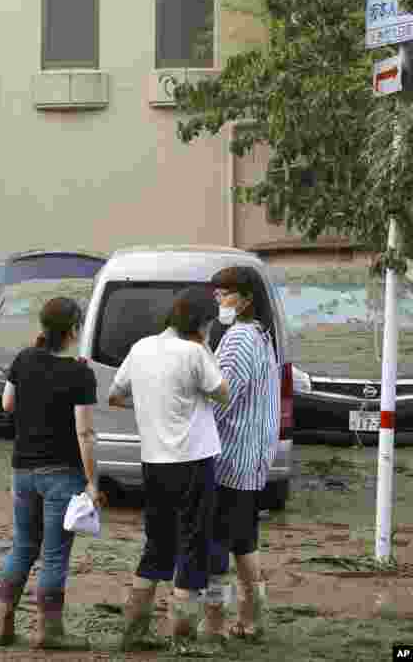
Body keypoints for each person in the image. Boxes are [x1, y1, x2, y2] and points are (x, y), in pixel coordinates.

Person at [108, 286, 229, 650]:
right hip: (194, 460)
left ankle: (134, 630)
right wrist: (206, 348)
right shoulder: (195, 352)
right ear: (202, 323)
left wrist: (150, 408)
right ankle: (183, 634)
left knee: (157, 543)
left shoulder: (141, 347)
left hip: (154, 461)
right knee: (194, 542)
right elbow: (223, 392)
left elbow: (115, 395)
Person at [0, 297, 99, 651]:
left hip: (23, 470)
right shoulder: (80, 373)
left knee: (23, 546)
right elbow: (84, 432)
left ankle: (4, 624)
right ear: (73, 330)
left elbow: (7, 404)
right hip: (62, 475)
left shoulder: (24, 359)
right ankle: (49, 632)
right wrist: (93, 481)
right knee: (54, 555)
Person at [199, 267, 280, 641]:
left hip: (229, 460)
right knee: (245, 543)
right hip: (252, 460)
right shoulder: (262, 336)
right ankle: (253, 619)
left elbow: (221, 397)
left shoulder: (239, 339)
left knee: (217, 549)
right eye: (217, 294)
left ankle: (214, 621)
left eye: (226, 293)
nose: (219, 300)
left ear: (246, 298)